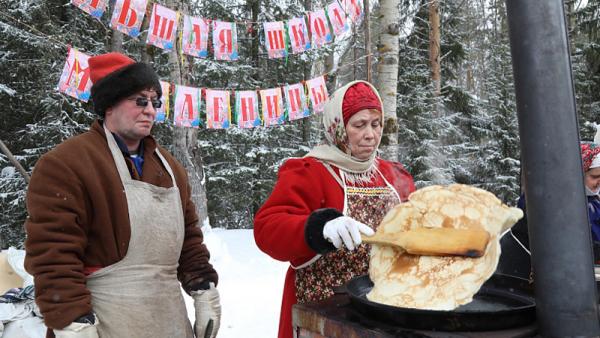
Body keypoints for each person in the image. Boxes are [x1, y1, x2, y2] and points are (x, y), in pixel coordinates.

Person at [24, 52, 221, 338]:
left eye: (155, 102)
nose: (150, 110)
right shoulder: (66, 164)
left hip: (169, 322)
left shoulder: (169, 168)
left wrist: (203, 289)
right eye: (140, 101)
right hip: (104, 323)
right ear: (110, 105)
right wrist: (72, 322)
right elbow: (53, 257)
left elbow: (189, 239)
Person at [253, 80, 416, 338]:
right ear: (337, 127)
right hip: (324, 316)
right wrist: (320, 228)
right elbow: (267, 228)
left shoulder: (392, 176)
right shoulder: (310, 172)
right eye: (359, 125)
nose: (370, 135)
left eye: (376, 124)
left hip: (384, 313)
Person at [498, 142, 600, 279]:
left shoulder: (592, 200)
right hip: (523, 275)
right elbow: (569, 242)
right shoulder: (548, 200)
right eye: (595, 176)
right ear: (576, 174)